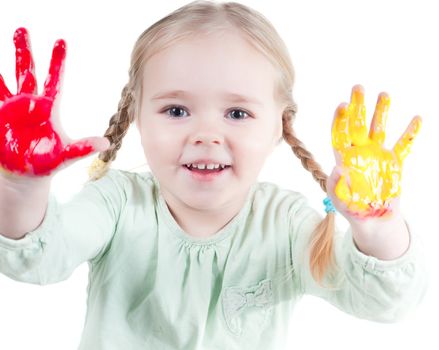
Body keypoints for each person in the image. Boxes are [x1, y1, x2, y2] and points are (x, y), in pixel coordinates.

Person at [0, 1, 427, 349]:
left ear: (280, 127)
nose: (206, 135)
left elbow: (386, 303)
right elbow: (38, 258)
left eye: (237, 113)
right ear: (138, 118)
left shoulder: (285, 223)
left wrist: (377, 225)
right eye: (176, 110)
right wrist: (20, 188)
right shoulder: (116, 202)